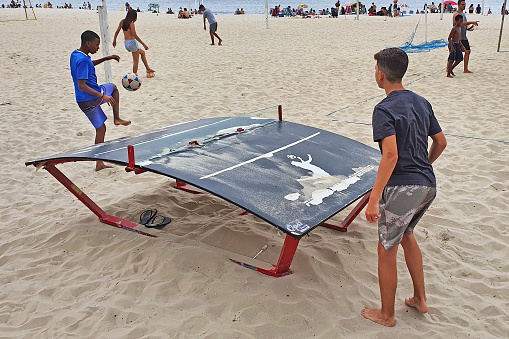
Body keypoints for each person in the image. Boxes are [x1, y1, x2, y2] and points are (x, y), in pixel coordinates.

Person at [361, 47, 447, 327]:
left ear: (381, 74)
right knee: (407, 234)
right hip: (427, 185)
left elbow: (390, 155)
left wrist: (374, 200)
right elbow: (441, 142)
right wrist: (424, 165)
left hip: (403, 187)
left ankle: (387, 315)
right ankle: (420, 300)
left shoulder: (383, 108)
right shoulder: (421, 101)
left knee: (386, 248)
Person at [70, 31, 131, 171]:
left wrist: (107, 58)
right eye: (97, 45)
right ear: (88, 43)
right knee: (114, 88)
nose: (98, 47)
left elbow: (88, 64)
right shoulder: (83, 60)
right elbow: (82, 84)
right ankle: (117, 118)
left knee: (101, 129)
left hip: (82, 101)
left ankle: (99, 164)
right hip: (93, 96)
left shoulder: (76, 54)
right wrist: (102, 96)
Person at [113, 9, 155, 77]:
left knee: (142, 53)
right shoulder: (131, 23)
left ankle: (148, 69)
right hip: (132, 42)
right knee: (136, 61)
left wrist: (114, 40)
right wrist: (144, 44)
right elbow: (135, 35)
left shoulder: (122, 21)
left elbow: (117, 31)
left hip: (126, 43)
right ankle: (134, 76)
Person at [453, 0, 479, 73]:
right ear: (458, 5)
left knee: (468, 51)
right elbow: (460, 24)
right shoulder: (456, 14)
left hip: (463, 37)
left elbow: (464, 25)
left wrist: (468, 28)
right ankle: (448, 69)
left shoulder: (463, 14)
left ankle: (465, 69)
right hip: (457, 37)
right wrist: (471, 22)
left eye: (465, 4)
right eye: (462, 4)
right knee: (454, 53)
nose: (464, 6)